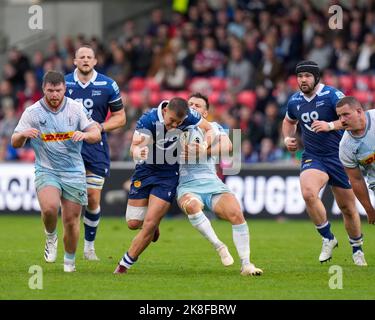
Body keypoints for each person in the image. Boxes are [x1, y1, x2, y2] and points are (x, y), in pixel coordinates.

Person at [11, 70, 101, 272]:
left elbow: (95, 133)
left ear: (65, 89)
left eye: (58, 90)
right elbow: (14, 142)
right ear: (43, 89)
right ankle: (50, 237)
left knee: (71, 221)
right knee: (50, 208)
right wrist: (24, 134)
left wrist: (85, 135)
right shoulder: (32, 112)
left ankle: (69, 263)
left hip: (74, 172)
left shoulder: (76, 109)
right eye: (50, 90)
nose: (54, 95)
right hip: (47, 169)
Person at [113, 97, 216, 274]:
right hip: (145, 172)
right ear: (165, 110)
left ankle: (123, 266)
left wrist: (205, 144)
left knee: (150, 222)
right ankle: (152, 228)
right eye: (172, 121)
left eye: (179, 122)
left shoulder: (189, 116)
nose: (175, 126)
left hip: (168, 175)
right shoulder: (148, 119)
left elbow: (209, 128)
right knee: (133, 223)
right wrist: (139, 151)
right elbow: (133, 148)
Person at [282, 60, 367, 266]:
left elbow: (349, 120)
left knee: (347, 208)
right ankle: (328, 237)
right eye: (300, 76)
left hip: (339, 157)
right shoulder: (294, 101)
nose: (303, 80)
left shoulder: (332, 96)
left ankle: (357, 249)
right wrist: (287, 138)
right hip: (314, 156)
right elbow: (288, 121)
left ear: (316, 77)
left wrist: (330, 125)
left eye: (307, 76)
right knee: (308, 193)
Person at [177, 93, 263, 276]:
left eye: (197, 105)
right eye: (189, 104)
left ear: (205, 112)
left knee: (236, 213)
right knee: (192, 206)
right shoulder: (177, 126)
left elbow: (229, 146)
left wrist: (203, 152)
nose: (192, 107)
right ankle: (219, 246)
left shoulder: (214, 127)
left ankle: (246, 265)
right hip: (187, 185)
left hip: (213, 184)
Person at [65, 45, 126, 261]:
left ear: (95, 61)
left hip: (95, 146)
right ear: (74, 61)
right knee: (70, 203)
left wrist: (100, 127)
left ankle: (89, 247)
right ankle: (59, 242)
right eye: (81, 57)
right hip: (68, 146)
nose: (85, 60)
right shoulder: (64, 84)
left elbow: (120, 118)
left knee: (92, 198)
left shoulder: (108, 84)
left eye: (89, 57)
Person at [336, 96, 375, 226]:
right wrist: (369, 209)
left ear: (359, 111)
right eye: (339, 116)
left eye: (346, 114)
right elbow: (356, 180)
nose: (342, 120)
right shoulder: (346, 146)